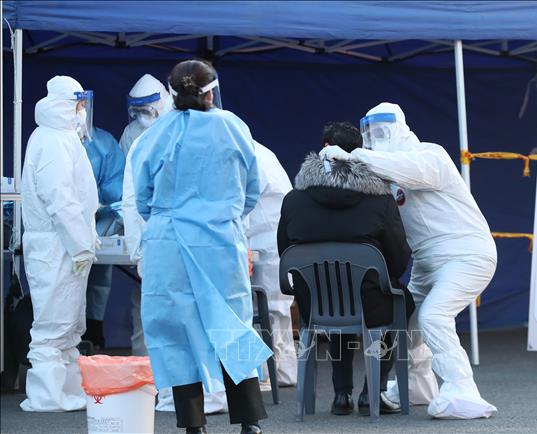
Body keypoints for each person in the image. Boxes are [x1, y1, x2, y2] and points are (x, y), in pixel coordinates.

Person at [320, 102, 498, 420]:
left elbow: (407, 170)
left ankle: (462, 389)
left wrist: (355, 156)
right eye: (369, 133)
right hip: (426, 262)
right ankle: (417, 385)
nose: (375, 138)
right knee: (404, 324)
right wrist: (335, 167)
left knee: (433, 316)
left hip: (466, 254)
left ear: (401, 128)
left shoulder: (430, 155)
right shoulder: (383, 170)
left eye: (382, 131)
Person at [131, 59, 271, 434]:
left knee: (175, 332)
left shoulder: (155, 134)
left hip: (169, 242)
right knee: (234, 325)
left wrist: (171, 216)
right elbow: (252, 188)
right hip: (220, 240)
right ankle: (250, 423)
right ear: (211, 92)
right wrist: (221, 216)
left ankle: (193, 426)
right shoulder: (233, 127)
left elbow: (142, 197)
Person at [278, 122, 415, 416]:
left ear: (324, 149)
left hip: (315, 305)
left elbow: (284, 252)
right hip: (370, 304)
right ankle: (373, 391)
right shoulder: (380, 200)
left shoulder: (293, 201)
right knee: (398, 299)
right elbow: (399, 260)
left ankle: (341, 395)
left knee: (334, 295)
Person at [121, 74, 228, 415]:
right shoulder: (221, 131)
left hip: (164, 246)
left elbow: (136, 203)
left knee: (171, 325)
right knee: (206, 320)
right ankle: (215, 395)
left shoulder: (147, 143)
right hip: (206, 246)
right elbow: (239, 193)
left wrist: (144, 247)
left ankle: (180, 400)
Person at [20, 76, 99, 411]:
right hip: (57, 246)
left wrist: (84, 239)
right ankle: (46, 397)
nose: (83, 111)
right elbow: (60, 200)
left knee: (68, 326)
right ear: (68, 104)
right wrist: (81, 244)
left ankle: (66, 392)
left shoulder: (61, 137)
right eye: (79, 105)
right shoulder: (52, 140)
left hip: (64, 245)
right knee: (52, 326)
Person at [119, 73, 173, 357]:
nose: (142, 116)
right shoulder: (132, 136)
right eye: (137, 110)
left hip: (172, 236)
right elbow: (128, 195)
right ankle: (144, 365)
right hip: (158, 237)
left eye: (147, 109)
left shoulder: (176, 128)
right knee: (147, 301)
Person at [246, 140, 297, 387]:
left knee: (268, 310)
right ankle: (282, 372)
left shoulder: (248, 155)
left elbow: (241, 203)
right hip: (274, 239)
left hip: (267, 241)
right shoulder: (260, 152)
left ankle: (268, 374)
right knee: (277, 310)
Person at [80, 123, 125, 349]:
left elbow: (116, 188)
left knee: (97, 279)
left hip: (100, 222)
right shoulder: (53, 141)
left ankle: (94, 333)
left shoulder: (103, 143)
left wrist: (97, 203)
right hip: (65, 225)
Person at [119, 73, 173, 157]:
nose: (142, 119)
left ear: (163, 105)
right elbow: (123, 162)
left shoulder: (176, 127)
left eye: (146, 112)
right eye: (137, 112)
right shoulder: (131, 132)